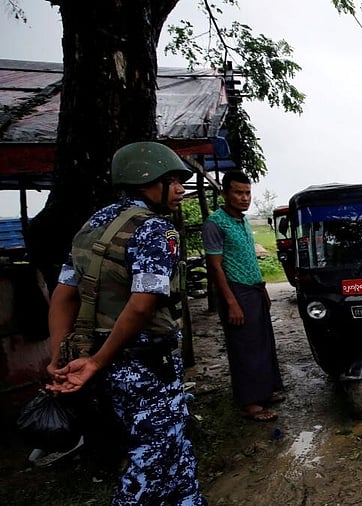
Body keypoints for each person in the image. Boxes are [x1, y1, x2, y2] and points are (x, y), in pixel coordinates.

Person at [46, 141, 206, 504]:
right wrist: (98, 361)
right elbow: (141, 305)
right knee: (152, 455)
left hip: (107, 360)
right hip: (143, 361)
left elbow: (63, 295)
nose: (180, 189)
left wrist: (61, 357)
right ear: (146, 180)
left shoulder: (92, 225)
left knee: (174, 442)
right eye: (173, 180)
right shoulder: (154, 230)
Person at [202, 171, 284, 422]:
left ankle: (264, 391)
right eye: (238, 192)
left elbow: (248, 257)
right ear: (224, 194)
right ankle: (249, 403)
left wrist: (263, 290)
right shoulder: (216, 223)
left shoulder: (243, 221)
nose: (244, 197)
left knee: (261, 343)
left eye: (247, 192)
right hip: (235, 292)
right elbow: (215, 266)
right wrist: (230, 302)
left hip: (254, 290)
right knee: (243, 348)